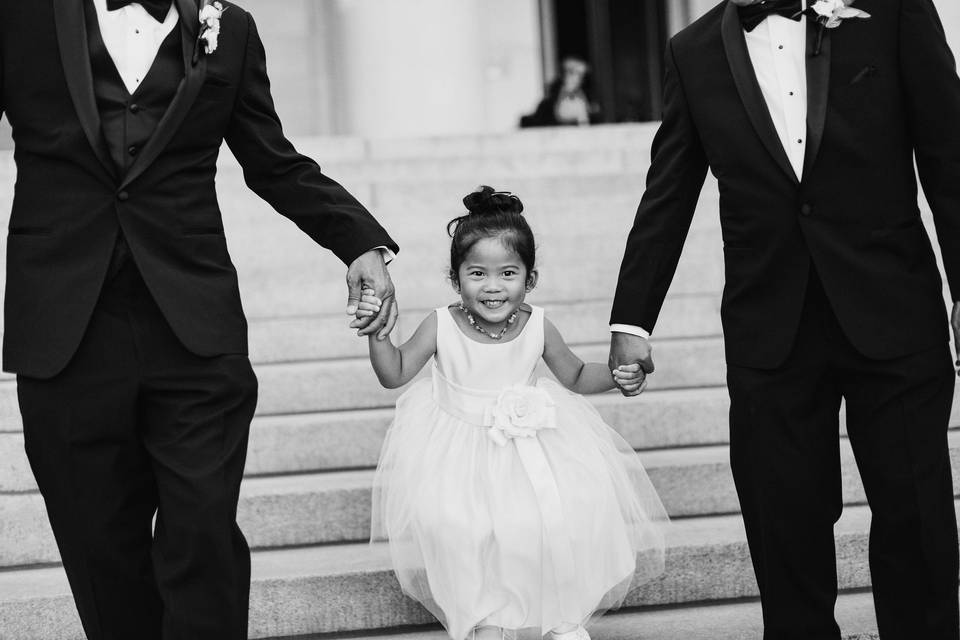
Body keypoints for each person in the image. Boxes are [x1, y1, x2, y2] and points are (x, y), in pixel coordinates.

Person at [0, 0, 398, 638]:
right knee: (99, 548)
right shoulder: (20, 17)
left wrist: (358, 243)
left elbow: (272, 160)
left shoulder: (230, 29)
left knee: (203, 533)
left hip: (193, 325)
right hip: (63, 328)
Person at [608, 0, 960, 638]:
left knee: (915, 505)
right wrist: (632, 319)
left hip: (892, 305)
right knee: (783, 518)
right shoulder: (693, 50)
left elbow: (949, 153)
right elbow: (669, 188)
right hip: (768, 324)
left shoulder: (894, 10)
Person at [365, 186, 668, 640]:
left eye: (508, 273)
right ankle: (485, 618)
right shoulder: (441, 325)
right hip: (458, 451)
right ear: (455, 279)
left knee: (545, 522)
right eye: (477, 274)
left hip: (530, 450)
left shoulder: (537, 325)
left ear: (529, 279)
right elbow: (395, 373)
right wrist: (377, 332)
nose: (492, 286)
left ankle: (558, 616)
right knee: (463, 529)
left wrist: (619, 373)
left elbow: (577, 376)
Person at [520, 57, 600, 127]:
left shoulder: (584, 97)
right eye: (577, 74)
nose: (580, 79)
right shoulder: (549, 102)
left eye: (583, 75)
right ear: (565, 74)